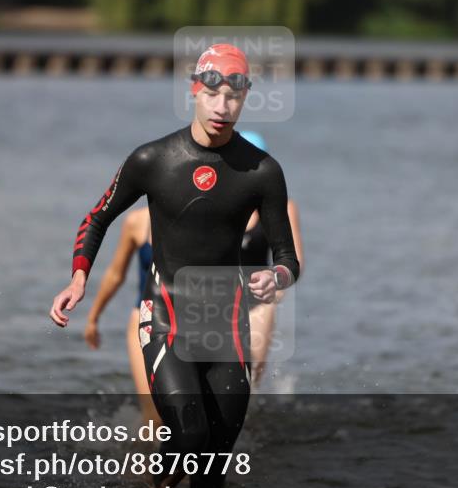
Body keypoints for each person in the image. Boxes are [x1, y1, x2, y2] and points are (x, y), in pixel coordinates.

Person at [50, 43, 300, 488]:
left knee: (214, 465)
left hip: (225, 327)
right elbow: (96, 217)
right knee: (188, 431)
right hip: (165, 319)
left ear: (245, 99)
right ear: (194, 89)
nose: (221, 105)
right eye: (212, 91)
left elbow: (288, 257)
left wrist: (276, 277)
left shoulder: (262, 172)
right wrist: (78, 279)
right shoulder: (152, 159)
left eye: (233, 94)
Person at [81, 131, 304, 418]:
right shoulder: (137, 221)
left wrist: (278, 281)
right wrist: (93, 316)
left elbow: (290, 258)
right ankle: (147, 459)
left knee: (225, 413)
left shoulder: (263, 205)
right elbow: (114, 273)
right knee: (158, 417)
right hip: (155, 313)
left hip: (238, 311)